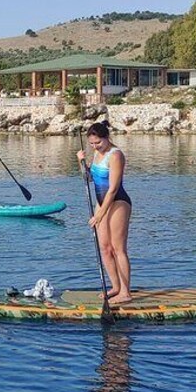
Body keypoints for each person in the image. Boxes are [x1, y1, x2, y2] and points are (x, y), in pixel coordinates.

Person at [77, 120, 132, 305]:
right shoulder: (96, 154)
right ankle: (115, 287)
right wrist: (81, 163)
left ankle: (125, 292)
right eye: (92, 144)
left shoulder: (115, 155)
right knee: (105, 248)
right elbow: (90, 178)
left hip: (118, 202)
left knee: (118, 248)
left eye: (98, 143)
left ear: (107, 138)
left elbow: (113, 188)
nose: (95, 146)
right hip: (101, 204)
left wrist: (100, 214)